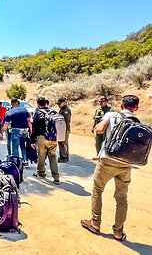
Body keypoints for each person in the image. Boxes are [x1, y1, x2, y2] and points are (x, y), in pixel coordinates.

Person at [81, 95, 141, 242]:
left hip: (108, 159)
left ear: (121, 106)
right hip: (126, 164)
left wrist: (99, 127)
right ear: (136, 108)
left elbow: (100, 129)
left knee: (97, 190)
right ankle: (118, 231)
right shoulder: (137, 122)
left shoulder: (111, 114)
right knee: (121, 198)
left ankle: (95, 223)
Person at [30, 97, 60, 185]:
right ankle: (56, 178)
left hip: (42, 138)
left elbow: (34, 128)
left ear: (38, 105)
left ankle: (41, 173)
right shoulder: (53, 112)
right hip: (53, 138)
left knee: (41, 156)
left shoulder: (38, 113)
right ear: (46, 103)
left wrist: (32, 140)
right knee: (53, 157)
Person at [0, 99, 32, 165]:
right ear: (18, 103)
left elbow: (6, 123)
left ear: (11, 103)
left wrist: (2, 132)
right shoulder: (24, 110)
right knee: (23, 145)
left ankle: (16, 161)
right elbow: (29, 121)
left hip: (16, 130)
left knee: (15, 146)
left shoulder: (10, 111)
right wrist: (31, 131)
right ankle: (25, 160)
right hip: (25, 130)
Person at [57, 97, 72, 163]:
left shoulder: (66, 111)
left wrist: (67, 130)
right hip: (62, 129)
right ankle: (63, 156)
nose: (58, 105)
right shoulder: (62, 110)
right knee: (61, 142)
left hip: (64, 129)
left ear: (64, 103)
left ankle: (64, 157)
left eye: (59, 104)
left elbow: (67, 121)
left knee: (64, 143)